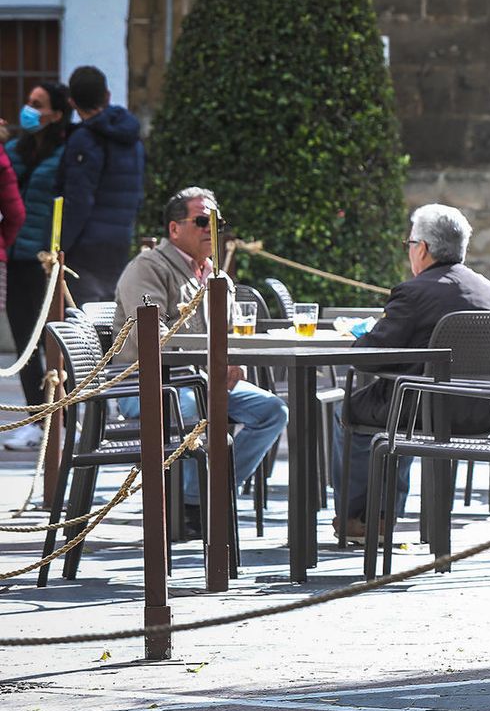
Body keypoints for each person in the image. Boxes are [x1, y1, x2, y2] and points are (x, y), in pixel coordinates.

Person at [330, 203, 490, 544]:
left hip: (424, 409)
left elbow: (369, 359)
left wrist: (362, 338)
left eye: (409, 244)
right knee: (404, 406)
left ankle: (361, 518)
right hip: (486, 412)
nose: (409, 251)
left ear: (423, 248)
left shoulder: (414, 292)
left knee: (350, 412)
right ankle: (382, 516)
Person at [112, 187, 288, 528]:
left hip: (201, 381)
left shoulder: (216, 275)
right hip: (144, 385)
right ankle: (197, 507)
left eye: (217, 221)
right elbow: (150, 339)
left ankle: (203, 497)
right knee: (194, 408)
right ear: (174, 229)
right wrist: (212, 362)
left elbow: (232, 335)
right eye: (202, 221)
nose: (212, 228)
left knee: (272, 411)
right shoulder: (148, 267)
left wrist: (236, 361)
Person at [3, 82, 72, 451]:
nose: (28, 109)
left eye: (37, 104)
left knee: (55, 342)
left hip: (46, 260)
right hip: (15, 256)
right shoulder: (15, 149)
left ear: (57, 114)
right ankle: (35, 417)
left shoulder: (66, 153)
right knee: (24, 342)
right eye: (28, 102)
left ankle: (67, 416)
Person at [59, 66, 145, 302]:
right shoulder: (131, 138)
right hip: (120, 238)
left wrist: (60, 244)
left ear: (72, 102)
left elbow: (79, 200)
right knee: (109, 316)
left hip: (86, 245)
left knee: (82, 321)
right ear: (107, 95)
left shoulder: (84, 139)